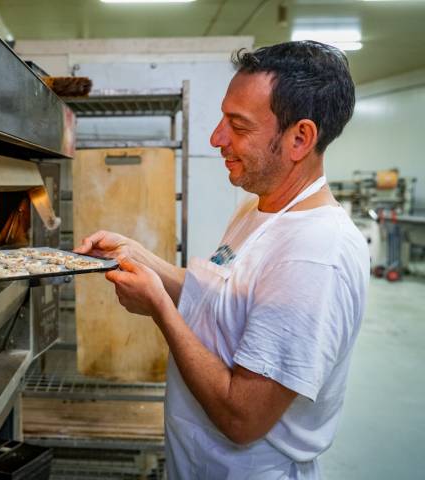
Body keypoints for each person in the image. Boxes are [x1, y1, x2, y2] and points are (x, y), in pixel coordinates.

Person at [74, 41, 369, 479]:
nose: (216, 138)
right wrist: (142, 259)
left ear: (300, 138)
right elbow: (222, 300)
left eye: (239, 125)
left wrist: (159, 307)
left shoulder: (313, 255)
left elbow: (242, 418)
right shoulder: (259, 208)